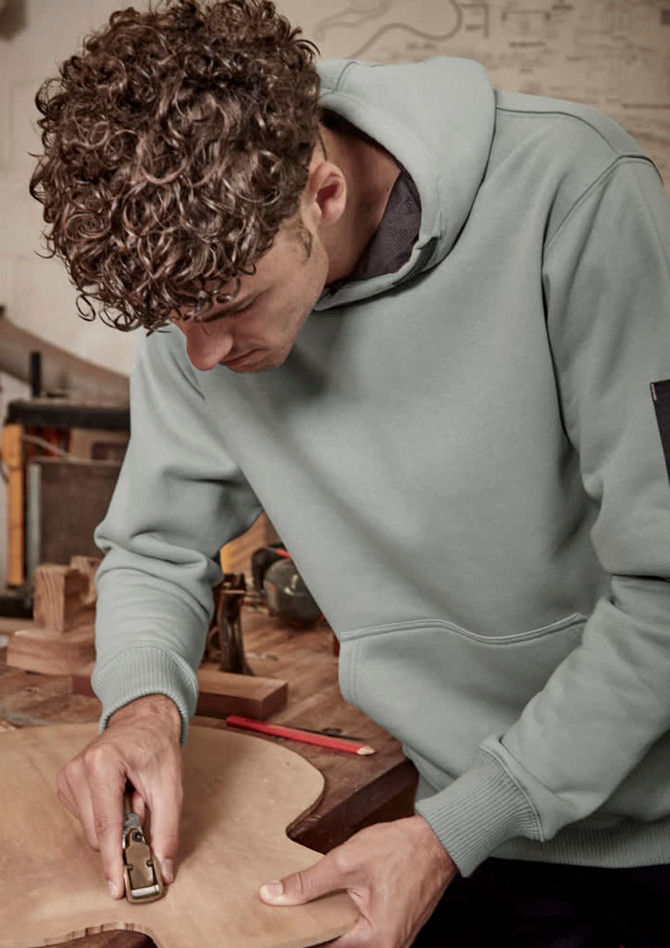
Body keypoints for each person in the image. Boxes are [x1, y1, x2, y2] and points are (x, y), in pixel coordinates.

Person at [29, 1, 670, 945]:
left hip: (647, 828)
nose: (200, 360)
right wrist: (141, 708)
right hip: (450, 826)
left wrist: (459, 827)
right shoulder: (199, 305)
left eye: (233, 308)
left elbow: (664, 589)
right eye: (175, 325)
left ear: (321, 195)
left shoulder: (575, 196)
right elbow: (157, 551)